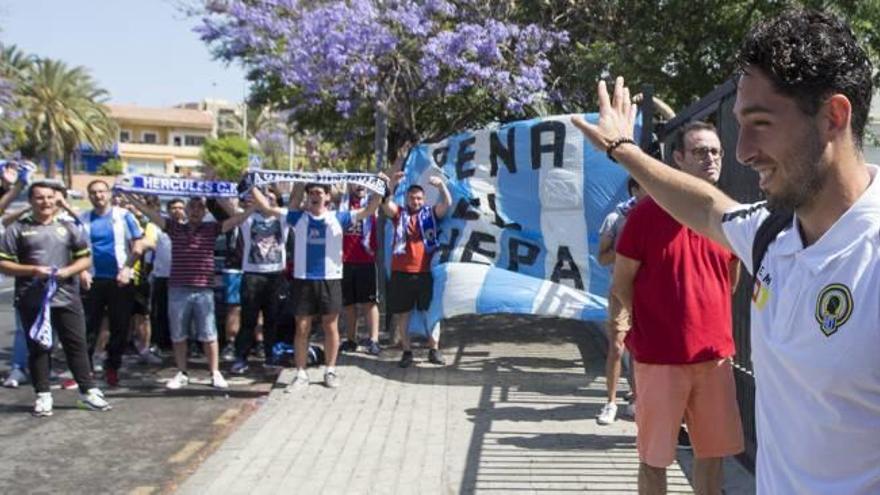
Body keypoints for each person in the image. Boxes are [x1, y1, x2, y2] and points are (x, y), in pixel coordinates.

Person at [572, 8, 879, 494]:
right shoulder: (769, 235)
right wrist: (622, 149)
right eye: (740, 124)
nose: (741, 152)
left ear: (833, 117)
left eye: (760, 123)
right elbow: (707, 207)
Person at [251, 180, 382, 389]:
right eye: (312, 192)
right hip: (303, 280)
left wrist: (381, 188)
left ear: (328, 197)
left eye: (320, 192)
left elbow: (369, 210)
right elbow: (267, 207)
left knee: (331, 326)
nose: (315, 196)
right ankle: (301, 373)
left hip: (330, 279)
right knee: (302, 328)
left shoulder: (338, 217)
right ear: (307, 196)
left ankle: (330, 371)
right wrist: (250, 186)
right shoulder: (298, 218)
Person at [0, 181, 110, 415]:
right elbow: (4, 264)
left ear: (56, 200)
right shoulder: (17, 229)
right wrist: (32, 271)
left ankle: (88, 392)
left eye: (50, 197)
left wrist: (68, 271)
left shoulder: (68, 227)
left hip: (67, 297)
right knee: (39, 347)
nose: (45, 202)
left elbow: (85, 258)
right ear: (30, 201)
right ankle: (43, 395)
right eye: (39, 198)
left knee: (76, 344)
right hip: (32, 299)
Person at [124, 194, 255, 390]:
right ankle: (182, 372)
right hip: (178, 289)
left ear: (204, 212)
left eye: (199, 207)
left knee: (209, 334)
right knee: (179, 334)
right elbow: (150, 214)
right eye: (191, 207)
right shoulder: (174, 228)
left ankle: (215, 372)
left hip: (204, 290)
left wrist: (254, 208)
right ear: (186, 210)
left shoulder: (211, 229)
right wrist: (131, 198)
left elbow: (236, 220)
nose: (195, 210)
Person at [79, 180, 146, 387]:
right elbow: (73, 248)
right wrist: (81, 270)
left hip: (120, 280)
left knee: (120, 327)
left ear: (108, 194)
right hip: (93, 280)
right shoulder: (82, 220)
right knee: (88, 327)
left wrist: (127, 268)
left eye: (101, 192)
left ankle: (112, 367)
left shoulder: (124, 216)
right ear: (89, 196)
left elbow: (138, 244)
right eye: (93, 192)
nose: (98, 196)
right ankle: (84, 370)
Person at [381, 172, 451, 368]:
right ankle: (407, 351)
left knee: (431, 312)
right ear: (407, 198)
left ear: (424, 199)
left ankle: (434, 350)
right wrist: (392, 184)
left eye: (419, 198)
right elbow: (386, 204)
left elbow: (446, 205)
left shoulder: (430, 214)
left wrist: (441, 187)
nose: (416, 201)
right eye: (412, 198)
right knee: (403, 314)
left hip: (424, 273)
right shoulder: (399, 214)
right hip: (401, 273)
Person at [595, 177, 645, 425]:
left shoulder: (660, 216)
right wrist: (626, 249)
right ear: (635, 190)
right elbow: (602, 259)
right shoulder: (615, 219)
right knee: (617, 347)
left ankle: (637, 400)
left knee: (640, 348)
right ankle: (610, 402)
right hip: (620, 289)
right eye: (645, 185)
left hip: (649, 292)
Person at [229, 187, 288, 374]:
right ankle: (241, 357)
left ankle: (270, 357)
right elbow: (226, 205)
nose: (267, 201)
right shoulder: (248, 218)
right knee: (248, 320)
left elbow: (295, 200)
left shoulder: (283, 218)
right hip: (252, 276)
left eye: (271, 198)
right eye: (264, 198)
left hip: (275, 276)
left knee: (272, 320)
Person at [338, 183, 381, 356]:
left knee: (370, 303)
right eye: (355, 184)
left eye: (362, 184)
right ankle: (351, 340)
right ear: (349, 187)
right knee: (348, 304)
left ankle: (374, 340)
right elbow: (330, 189)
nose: (359, 187)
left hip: (366, 260)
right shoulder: (342, 203)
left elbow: (381, 191)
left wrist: (383, 179)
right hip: (344, 261)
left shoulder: (371, 202)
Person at [148, 198, 184, 353]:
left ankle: (180, 342)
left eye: (180, 208)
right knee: (159, 312)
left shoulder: (189, 227)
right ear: (168, 210)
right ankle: (158, 342)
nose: (177, 210)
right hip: (162, 275)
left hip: (182, 276)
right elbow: (150, 251)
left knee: (180, 312)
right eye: (174, 208)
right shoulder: (158, 226)